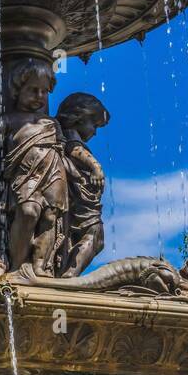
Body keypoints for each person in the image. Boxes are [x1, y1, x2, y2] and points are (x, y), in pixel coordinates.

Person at [0, 57, 68, 275]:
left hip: (55, 173)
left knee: (49, 218)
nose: (39, 96)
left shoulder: (52, 124)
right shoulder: (8, 120)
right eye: (33, 90)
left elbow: (65, 152)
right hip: (25, 175)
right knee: (28, 212)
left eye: (44, 92)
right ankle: (17, 267)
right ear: (17, 90)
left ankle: (40, 266)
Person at [56, 92, 110, 275]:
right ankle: (69, 276)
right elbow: (74, 149)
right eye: (94, 125)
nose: (95, 132)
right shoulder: (71, 134)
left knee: (85, 236)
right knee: (96, 235)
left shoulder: (63, 133)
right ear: (79, 118)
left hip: (76, 193)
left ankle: (67, 272)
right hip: (77, 195)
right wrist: (96, 166)